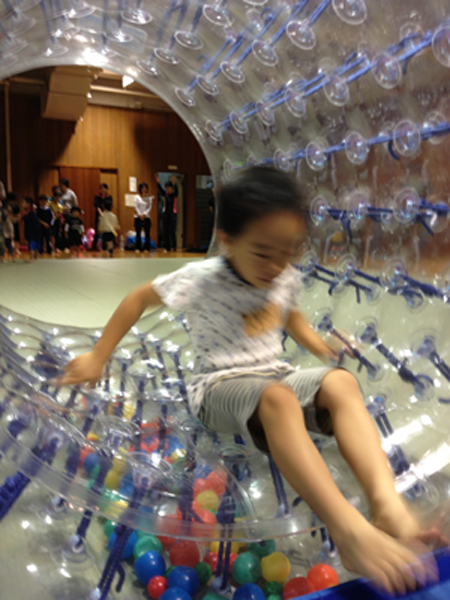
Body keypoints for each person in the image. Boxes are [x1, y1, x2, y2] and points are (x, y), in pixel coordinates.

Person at [60, 166, 439, 596]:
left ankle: (386, 505)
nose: (276, 267)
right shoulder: (202, 279)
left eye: (287, 253)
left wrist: (324, 348)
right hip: (217, 386)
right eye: (262, 253)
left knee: (341, 384)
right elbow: (137, 297)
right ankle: (347, 529)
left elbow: (290, 317)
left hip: (274, 375)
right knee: (277, 400)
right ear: (227, 240)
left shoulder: (282, 275)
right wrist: (98, 355)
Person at [155, 174, 178, 252]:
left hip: (173, 215)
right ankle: (167, 247)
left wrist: (174, 184)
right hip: (166, 215)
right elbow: (160, 190)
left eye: (169, 187)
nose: (167, 189)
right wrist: (158, 183)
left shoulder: (174, 195)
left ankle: (174, 246)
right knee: (166, 231)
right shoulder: (165, 194)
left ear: (171, 187)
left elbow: (176, 191)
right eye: (166, 187)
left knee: (172, 231)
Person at [134, 182, 153, 253]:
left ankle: (147, 248)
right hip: (137, 217)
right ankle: (138, 247)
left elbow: (149, 207)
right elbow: (136, 206)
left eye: (145, 188)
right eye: (142, 188)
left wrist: (144, 214)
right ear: (140, 189)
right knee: (138, 233)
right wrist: (140, 214)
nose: (144, 189)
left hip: (146, 217)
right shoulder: (137, 197)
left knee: (147, 233)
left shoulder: (148, 198)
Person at [94, 183, 113, 251]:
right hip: (99, 215)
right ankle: (95, 246)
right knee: (97, 230)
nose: (103, 190)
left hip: (107, 215)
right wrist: (101, 214)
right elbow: (97, 206)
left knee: (106, 231)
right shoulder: (97, 196)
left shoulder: (109, 197)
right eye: (102, 189)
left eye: (105, 189)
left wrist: (104, 215)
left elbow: (109, 207)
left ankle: (104, 246)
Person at [22, 197, 41, 262]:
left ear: (28, 204)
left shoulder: (31, 212)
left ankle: (32, 258)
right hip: (33, 230)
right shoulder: (29, 211)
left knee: (32, 243)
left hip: (33, 231)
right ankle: (35, 257)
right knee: (34, 243)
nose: (22, 204)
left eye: (23, 202)